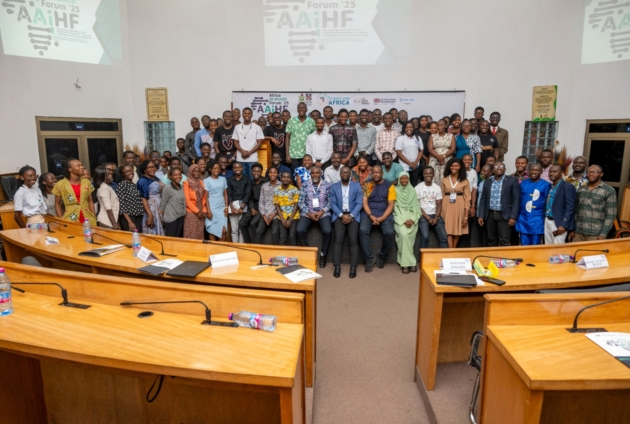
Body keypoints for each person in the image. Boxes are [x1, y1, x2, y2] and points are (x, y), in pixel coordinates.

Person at [359, 165, 396, 272]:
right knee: (362, 230)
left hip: (384, 213)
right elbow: (364, 203)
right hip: (368, 213)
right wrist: (371, 216)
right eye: (374, 172)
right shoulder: (367, 184)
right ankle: (368, 259)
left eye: (378, 172)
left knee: (389, 232)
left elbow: (391, 205)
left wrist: (382, 218)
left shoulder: (389, 185)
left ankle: (382, 256)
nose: (375, 174)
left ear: (382, 174)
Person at [330, 166, 363, 278]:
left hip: (353, 214)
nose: (345, 174)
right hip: (339, 215)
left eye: (347, 172)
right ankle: (337, 266)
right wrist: (341, 215)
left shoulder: (357, 186)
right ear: (340, 174)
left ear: (350, 174)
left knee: (353, 240)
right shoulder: (334, 186)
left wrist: (351, 215)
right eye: (343, 172)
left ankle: (353, 267)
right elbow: (332, 204)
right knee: (338, 240)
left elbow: (359, 203)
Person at [478, 162, 521, 246]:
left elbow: (516, 199)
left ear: (505, 169)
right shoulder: (487, 181)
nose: (499, 168)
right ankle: (492, 255)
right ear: (492, 170)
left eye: (501, 166)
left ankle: (503, 255)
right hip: (489, 215)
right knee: (490, 240)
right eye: (496, 167)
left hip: (505, 216)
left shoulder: (512, 180)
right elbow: (483, 199)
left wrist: (513, 217)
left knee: (504, 240)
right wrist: (481, 215)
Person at [297, 166, 332, 267]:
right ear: (310, 174)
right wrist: (309, 213)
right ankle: (308, 253)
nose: (315, 175)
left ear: (321, 174)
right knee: (299, 230)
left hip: (323, 213)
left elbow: (331, 201)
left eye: (317, 173)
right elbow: (300, 202)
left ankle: (323, 254)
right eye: (313, 173)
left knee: (328, 231)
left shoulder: (327, 185)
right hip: (308, 212)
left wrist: (322, 212)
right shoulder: (305, 185)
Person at [570, 165, 617, 241]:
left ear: (601, 174)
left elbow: (611, 215)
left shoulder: (609, 190)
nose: (591, 174)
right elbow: (575, 210)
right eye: (588, 172)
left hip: (596, 234)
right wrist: (572, 229)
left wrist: (603, 234)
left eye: (594, 172)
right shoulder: (581, 189)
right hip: (578, 232)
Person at [53, 159, 96, 226]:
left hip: (87, 217)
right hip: (70, 217)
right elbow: (57, 204)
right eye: (78, 166)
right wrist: (61, 220)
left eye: (81, 165)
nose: (82, 167)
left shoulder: (87, 182)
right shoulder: (60, 184)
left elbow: (90, 201)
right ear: (70, 169)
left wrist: (93, 217)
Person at [515, 163, 550, 245]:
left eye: (537, 170)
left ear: (541, 172)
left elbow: (547, 202)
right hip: (523, 218)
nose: (534, 172)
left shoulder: (546, 185)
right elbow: (519, 200)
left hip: (537, 219)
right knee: (524, 244)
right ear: (528, 171)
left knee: (535, 244)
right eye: (532, 170)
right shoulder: (523, 183)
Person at [393, 172, 421, 274]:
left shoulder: (412, 190)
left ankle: (404, 261)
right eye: (402, 179)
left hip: (411, 217)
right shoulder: (395, 190)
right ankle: (410, 262)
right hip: (399, 218)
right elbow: (394, 208)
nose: (404, 181)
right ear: (399, 180)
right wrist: (404, 220)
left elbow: (416, 207)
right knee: (404, 235)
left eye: (406, 179)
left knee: (410, 238)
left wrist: (412, 219)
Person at [440, 158, 470, 248]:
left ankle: (453, 249)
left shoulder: (465, 181)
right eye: (452, 166)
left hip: (459, 205)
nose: (454, 168)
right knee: (448, 229)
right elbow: (441, 195)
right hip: (446, 205)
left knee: (457, 229)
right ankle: (451, 251)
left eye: (456, 166)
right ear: (449, 167)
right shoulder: (445, 179)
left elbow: (467, 199)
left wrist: (466, 216)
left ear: (460, 167)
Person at [416, 167, 448, 249]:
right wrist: (428, 218)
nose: (428, 175)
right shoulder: (418, 187)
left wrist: (436, 218)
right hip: (423, 215)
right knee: (425, 236)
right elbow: (416, 205)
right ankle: (422, 256)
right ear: (423, 175)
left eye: (430, 173)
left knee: (444, 237)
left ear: (433, 174)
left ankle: (444, 256)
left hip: (435, 214)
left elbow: (439, 204)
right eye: (426, 173)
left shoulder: (437, 187)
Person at [545, 164, 576, 245]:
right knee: (547, 247)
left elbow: (570, 207)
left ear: (561, 173)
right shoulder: (550, 187)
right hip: (547, 220)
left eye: (555, 172)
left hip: (558, 222)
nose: (551, 173)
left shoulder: (567, 187)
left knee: (558, 249)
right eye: (550, 171)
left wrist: (563, 224)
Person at [232, 107, 264, 180]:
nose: (247, 115)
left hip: (252, 159)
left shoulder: (257, 127)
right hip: (240, 159)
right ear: (242, 115)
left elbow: (259, 143)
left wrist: (249, 153)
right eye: (245, 113)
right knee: (241, 181)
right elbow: (235, 142)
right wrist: (243, 151)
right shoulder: (237, 127)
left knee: (253, 180)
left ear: (252, 115)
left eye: (249, 113)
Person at [285, 102, 316, 171]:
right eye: (299, 108)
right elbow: (287, 137)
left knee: (306, 174)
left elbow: (314, 138)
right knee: (296, 174)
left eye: (303, 108)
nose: (301, 109)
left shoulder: (311, 121)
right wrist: (287, 154)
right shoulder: (291, 121)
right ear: (297, 109)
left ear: (306, 109)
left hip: (307, 154)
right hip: (293, 154)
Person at [137, 160, 164, 235]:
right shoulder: (143, 181)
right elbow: (143, 198)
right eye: (149, 167)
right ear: (144, 169)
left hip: (158, 206)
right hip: (151, 208)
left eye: (153, 167)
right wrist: (150, 215)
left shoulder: (155, 178)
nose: (152, 169)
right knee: (152, 229)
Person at [240, 163, 264, 244]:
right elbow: (249, 197)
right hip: (253, 206)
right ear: (251, 172)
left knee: (253, 223)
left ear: (261, 172)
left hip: (262, 207)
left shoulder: (266, 181)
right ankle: (248, 242)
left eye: (258, 171)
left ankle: (257, 243)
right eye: (254, 171)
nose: (256, 173)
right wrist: (252, 208)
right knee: (242, 223)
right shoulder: (250, 182)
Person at [273, 171, 300, 246]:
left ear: (290, 179)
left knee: (292, 236)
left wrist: (290, 220)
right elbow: (277, 205)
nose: (286, 179)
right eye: (284, 177)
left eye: (288, 177)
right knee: (282, 237)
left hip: (293, 216)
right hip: (282, 216)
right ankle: (281, 253)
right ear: (281, 178)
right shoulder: (276, 189)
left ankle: (293, 253)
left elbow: (296, 205)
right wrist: (282, 220)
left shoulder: (294, 189)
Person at [226, 162, 251, 243]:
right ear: (233, 169)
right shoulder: (229, 180)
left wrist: (242, 207)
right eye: (235, 167)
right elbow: (229, 194)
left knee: (241, 229)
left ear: (242, 168)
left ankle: (241, 246)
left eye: (239, 167)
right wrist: (232, 208)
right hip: (232, 206)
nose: (237, 169)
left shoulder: (247, 179)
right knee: (234, 230)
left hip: (243, 206)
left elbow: (248, 194)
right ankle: (235, 246)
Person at [204, 162, 229, 241]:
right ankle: (213, 248)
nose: (217, 170)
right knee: (212, 231)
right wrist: (208, 211)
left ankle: (220, 248)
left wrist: (226, 207)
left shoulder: (223, 179)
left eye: (218, 168)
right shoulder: (206, 180)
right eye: (214, 168)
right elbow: (206, 197)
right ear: (210, 169)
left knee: (224, 231)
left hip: (222, 207)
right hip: (212, 207)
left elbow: (225, 194)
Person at [115, 165, 144, 231]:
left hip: (138, 216)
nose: (130, 173)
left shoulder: (134, 185)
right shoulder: (122, 185)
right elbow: (122, 205)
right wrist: (129, 222)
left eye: (131, 170)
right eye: (126, 172)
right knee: (132, 236)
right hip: (129, 217)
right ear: (123, 174)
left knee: (138, 236)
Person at [183, 164, 208, 240]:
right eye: (194, 171)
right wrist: (197, 211)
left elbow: (204, 197)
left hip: (201, 212)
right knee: (191, 233)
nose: (197, 173)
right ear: (191, 172)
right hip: (191, 211)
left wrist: (204, 210)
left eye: (198, 171)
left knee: (199, 233)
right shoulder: (186, 183)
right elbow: (187, 200)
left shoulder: (201, 182)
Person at [427, 119, 455, 187]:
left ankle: (445, 192)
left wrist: (443, 156)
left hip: (446, 159)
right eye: (438, 125)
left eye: (441, 125)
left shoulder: (451, 136)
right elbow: (430, 149)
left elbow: (453, 149)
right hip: (434, 159)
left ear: (446, 126)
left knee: (446, 176)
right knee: (434, 176)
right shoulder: (432, 136)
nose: (439, 127)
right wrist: (438, 157)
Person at [159, 167, 186, 238]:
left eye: (179, 174)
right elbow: (163, 205)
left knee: (177, 239)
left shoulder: (182, 187)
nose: (178, 177)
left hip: (180, 217)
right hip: (170, 218)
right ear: (171, 176)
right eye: (175, 175)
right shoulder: (167, 188)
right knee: (170, 239)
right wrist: (162, 218)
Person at [395, 121, 424, 186]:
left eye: (411, 127)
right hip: (404, 166)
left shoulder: (418, 138)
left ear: (413, 128)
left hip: (416, 166)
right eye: (407, 127)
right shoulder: (400, 138)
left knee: (414, 184)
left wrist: (415, 163)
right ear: (404, 128)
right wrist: (410, 163)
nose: (409, 129)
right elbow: (399, 153)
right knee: (404, 185)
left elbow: (421, 151)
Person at [256, 167, 280, 244]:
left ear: (277, 174)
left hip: (276, 214)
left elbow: (283, 203)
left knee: (275, 233)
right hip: (265, 214)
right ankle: (257, 249)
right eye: (271, 172)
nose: (272, 174)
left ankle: (275, 250)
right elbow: (261, 201)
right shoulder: (264, 186)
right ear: (268, 174)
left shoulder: (281, 185)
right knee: (258, 231)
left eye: (274, 172)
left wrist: (273, 215)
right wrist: (264, 215)